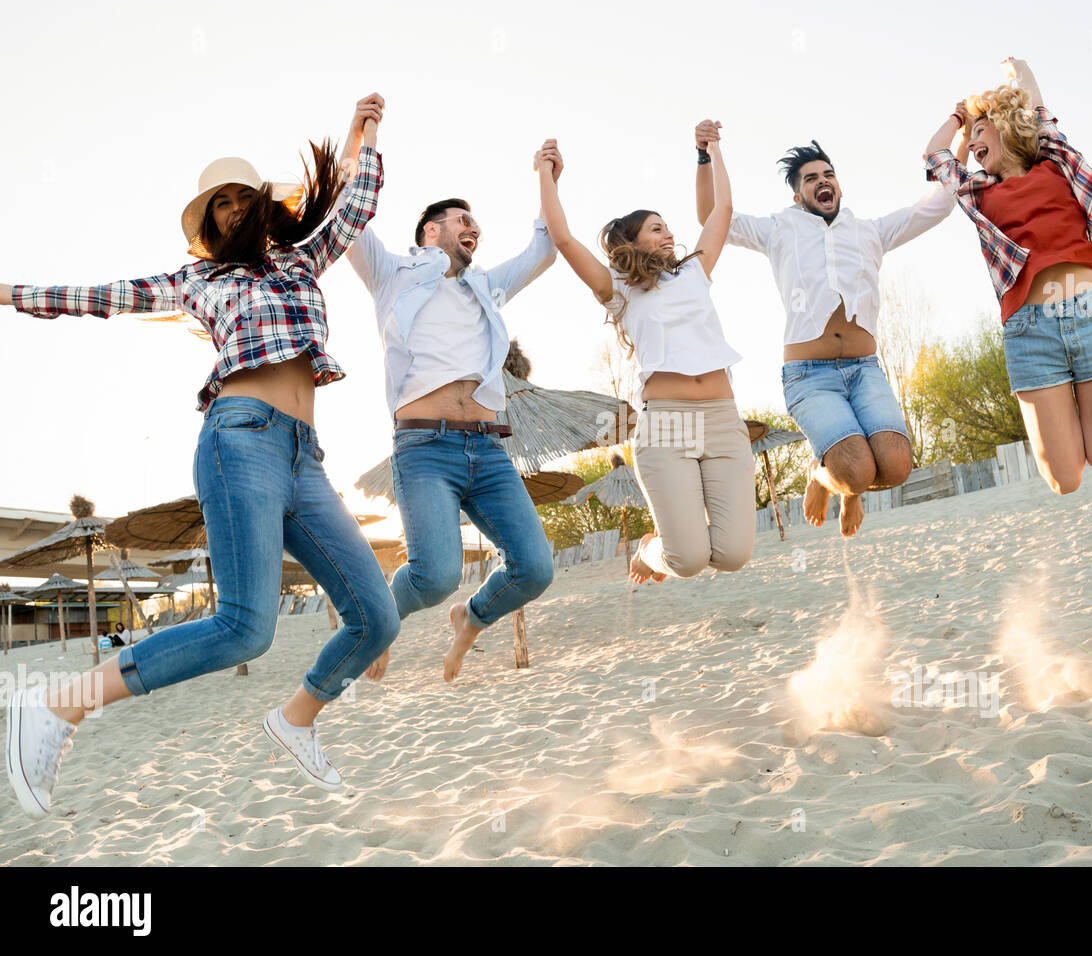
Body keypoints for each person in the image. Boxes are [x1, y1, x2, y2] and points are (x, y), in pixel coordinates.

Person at [1, 94, 399, 816]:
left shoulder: (303, 258)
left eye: (244, 196)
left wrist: (361, 131)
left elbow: (358, 198)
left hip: (305, 457)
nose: (234, 209)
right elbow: (101, 296)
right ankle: (59, 706)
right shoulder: (198, 281)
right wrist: (6, 293)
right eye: (219, 204)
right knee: (245, 626)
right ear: (210, 224)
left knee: (377, 617)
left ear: (265, 207)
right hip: (238, 440)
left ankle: (295, 718)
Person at [340, 138, 558, 683]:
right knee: (435, 576)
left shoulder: (484, 286)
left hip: (487, 449)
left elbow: (545, 248)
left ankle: (473, 616)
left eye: (476, 222)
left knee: (535, 569)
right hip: (424, 448)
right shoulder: (391, 273)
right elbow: (346, 211)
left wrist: (547, 176)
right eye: (463, 219)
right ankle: (379, 621)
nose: (474, 227)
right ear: (430, 231)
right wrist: (358, 133)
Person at [695, 120, 961, 536]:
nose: (823, 181)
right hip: (809, 377)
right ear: (798, 195)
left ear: (839, 186)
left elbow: (938, 205)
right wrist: (706, 154)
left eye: (829, 175)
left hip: (865, 369)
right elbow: (712, 217)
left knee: (896, 466)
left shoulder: (869, 231)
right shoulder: (778, 229)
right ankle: (822, 476)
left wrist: (960, 129)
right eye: (811, 179)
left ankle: (844, 485)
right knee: (854, 469)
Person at [534, 136, 755, 584]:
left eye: (667, 226)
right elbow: (562, 237)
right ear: (631, 241)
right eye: (657, 228)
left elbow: (723, 212)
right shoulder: (618, 290)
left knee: (732, 556)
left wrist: (712, 151)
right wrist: (545, 174)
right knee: (689, 561)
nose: (669, 234)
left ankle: (665, 547)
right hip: (667, 423)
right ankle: (649, 551)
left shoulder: (695, 271)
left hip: (722, 417)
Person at [923, 58, 1092, 494]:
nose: (974, 144)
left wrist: (1020, 70)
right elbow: (935, 155)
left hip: (1091, 315)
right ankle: (1070, 426)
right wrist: (961, 118)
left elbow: (1038, 108)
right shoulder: (979, 193)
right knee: (1064, 480)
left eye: (982, 132)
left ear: (1005, 126)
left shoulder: (1054, 162)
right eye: (972, 139)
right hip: (1030, 331)